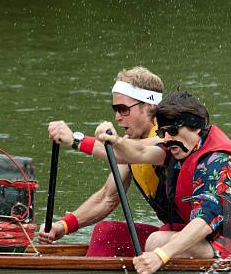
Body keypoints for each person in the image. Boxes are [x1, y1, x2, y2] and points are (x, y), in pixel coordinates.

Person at [96, 91, 231, 274]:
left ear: (196, 128)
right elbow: (138, 153)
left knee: (157, 242)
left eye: (173, 131)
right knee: (158, 239)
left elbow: (204, 221)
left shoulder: (218, 162)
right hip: (219, 237)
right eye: (162, 132)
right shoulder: (181, 147)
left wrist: (160, 256)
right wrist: (110, 141)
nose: (167, 138)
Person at [38, 67, 188, 256]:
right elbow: (107, 198)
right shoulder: (129, 147)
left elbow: (137, 151)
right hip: (174, 233)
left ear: (149, 106)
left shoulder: (168, 138)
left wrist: (75, 140)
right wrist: (62, 226)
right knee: (107, 233)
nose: (117, 117)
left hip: (203, 236)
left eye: (123, 109)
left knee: (112, 234)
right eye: (115, 109)